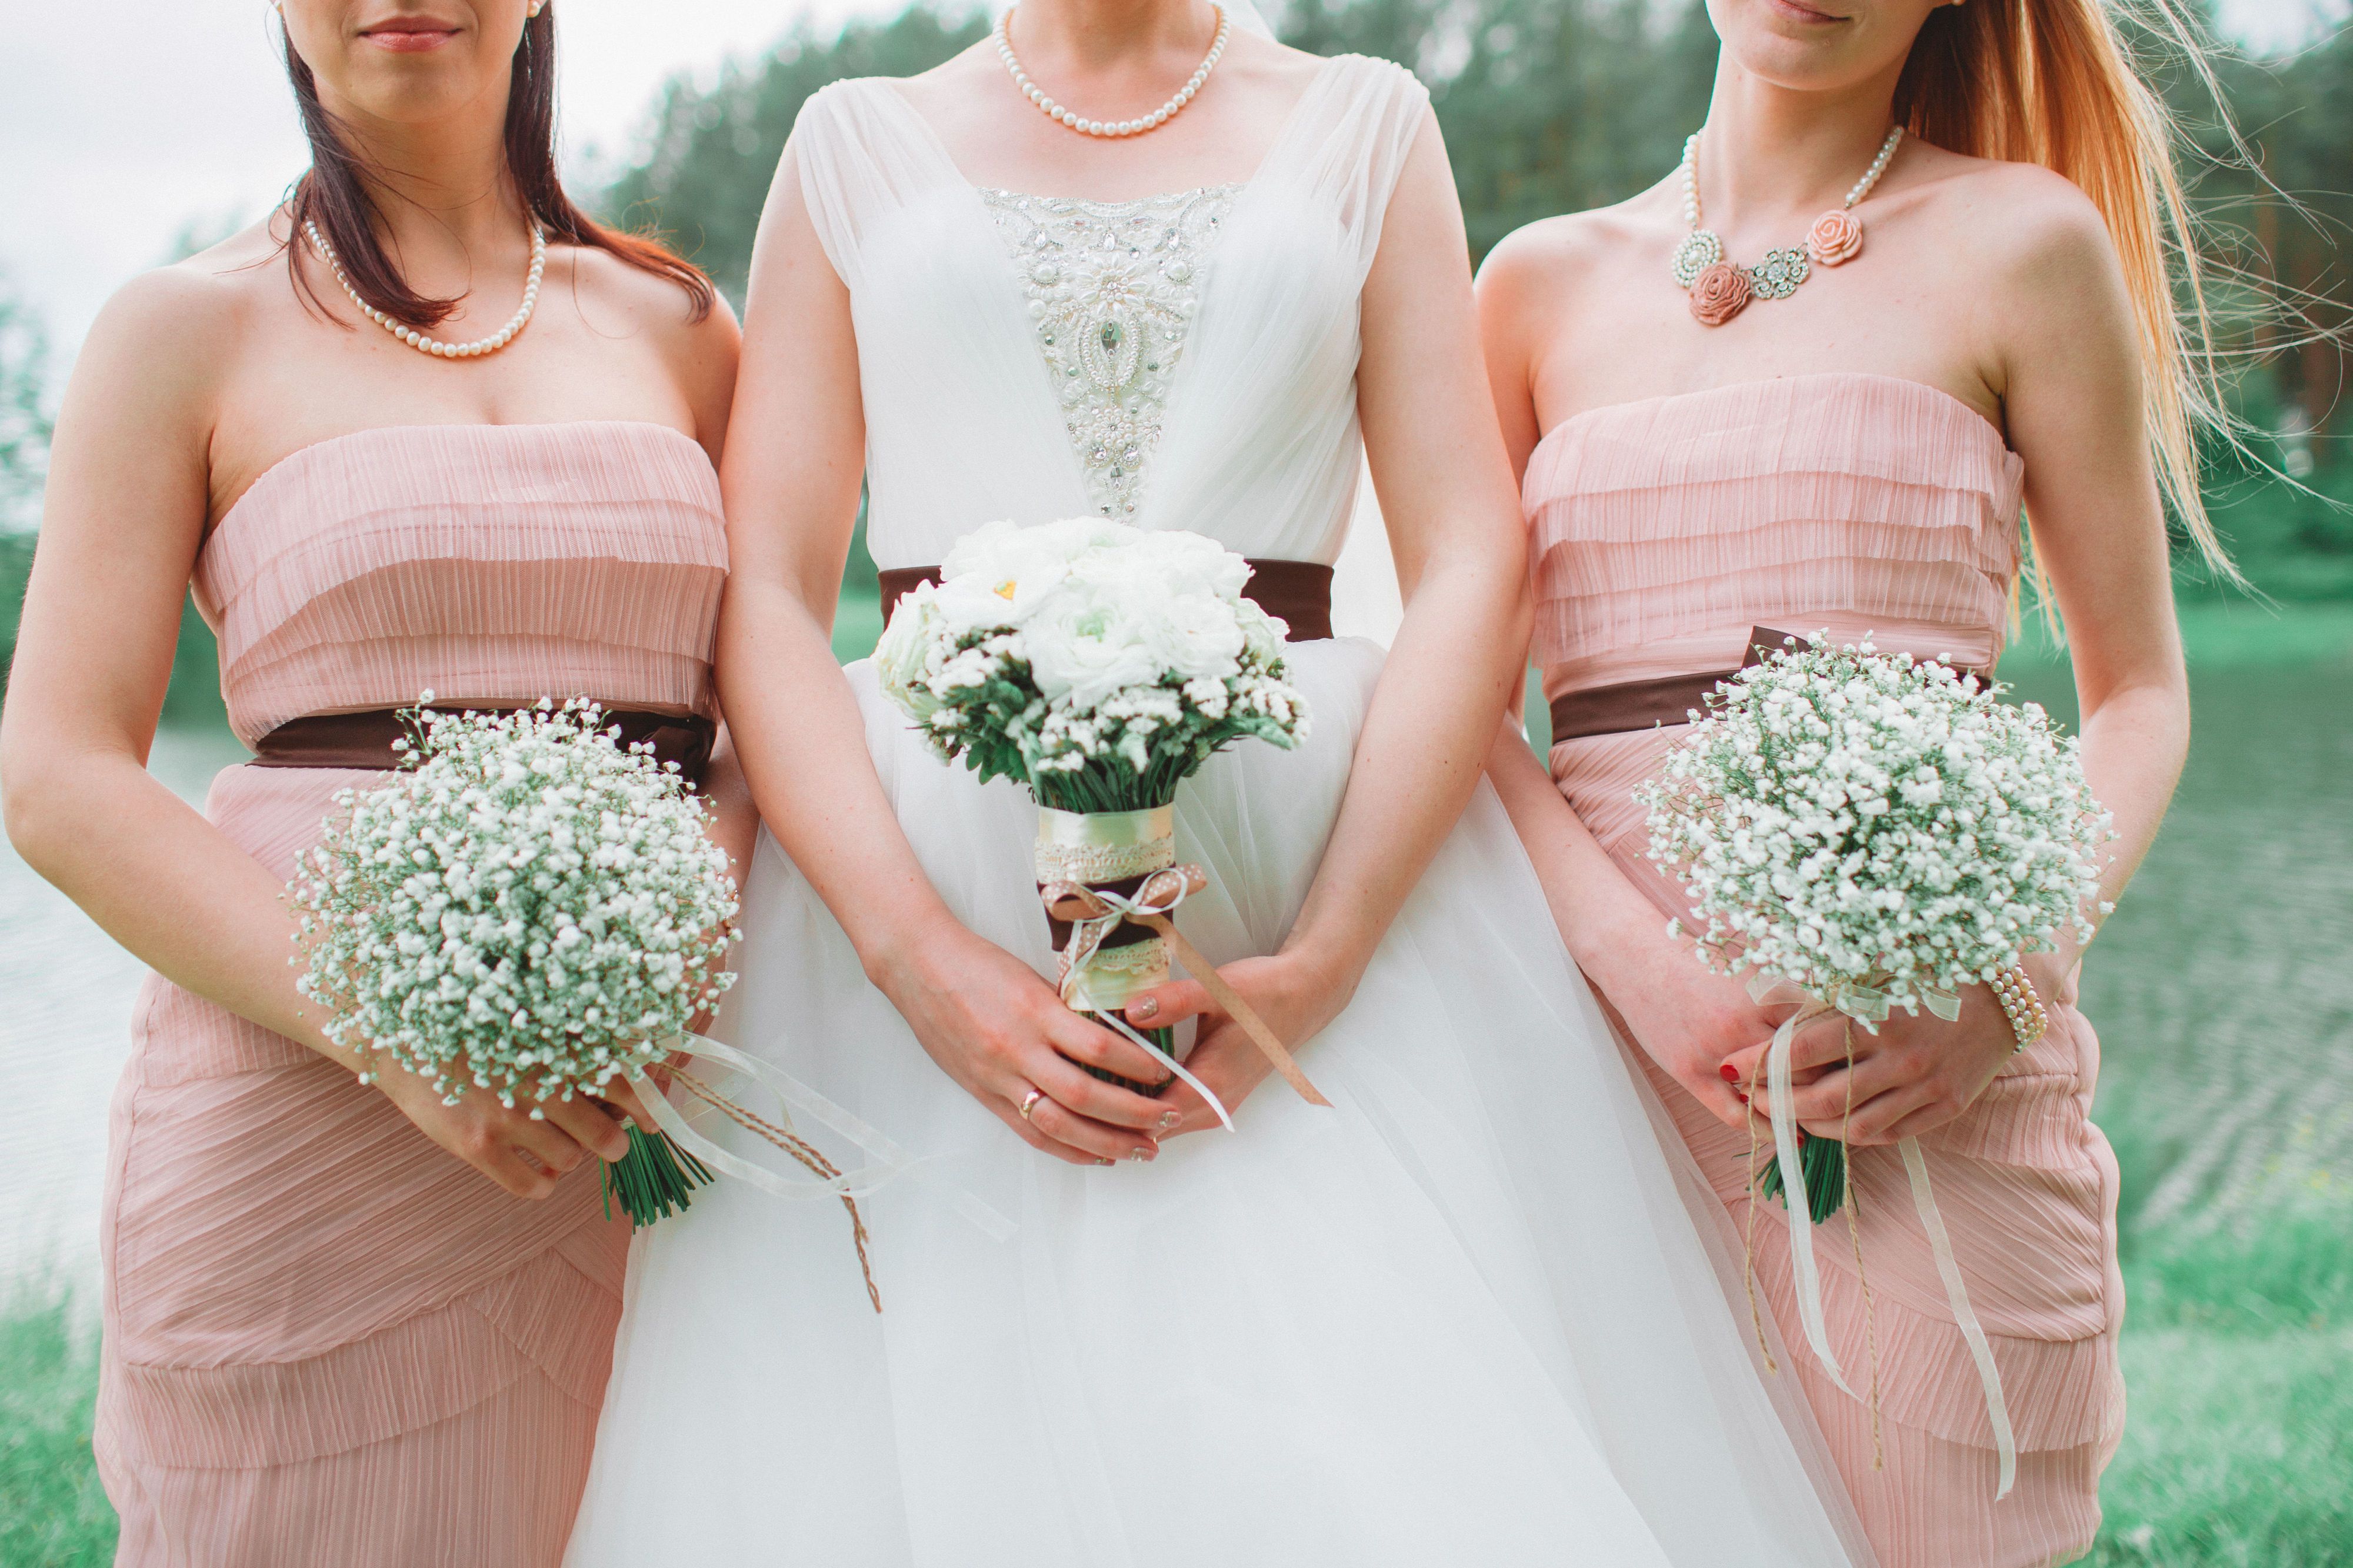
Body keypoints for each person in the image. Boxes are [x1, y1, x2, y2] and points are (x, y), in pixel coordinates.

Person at [565, 3, 1879, 1564]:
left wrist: (1325, 952)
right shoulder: (852, 139)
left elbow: (1469, 558)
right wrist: (914, 954)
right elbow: (768, 587)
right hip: (919, 882)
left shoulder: (1367, 122)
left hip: (1312, 862)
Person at [1475, 1, 2227, 1561]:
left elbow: (2139, 693)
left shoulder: (2025, 243)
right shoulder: (1532, 285)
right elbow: (1462, 715)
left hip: (1921, 1056)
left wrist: (2009, 981)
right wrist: (1642, 973)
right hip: (1597, 1071)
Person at [0, 4, 748, 1562]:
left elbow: (764, 710)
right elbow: (61, 774)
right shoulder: (178, 330)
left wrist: (675, 961)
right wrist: (392, 1028)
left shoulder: (683, 327)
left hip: (631, 1129)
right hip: (300, 1125)